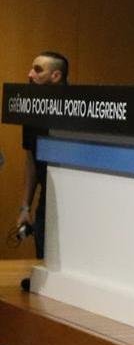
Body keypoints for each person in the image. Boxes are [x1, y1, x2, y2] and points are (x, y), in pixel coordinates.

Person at [17, 51, 69, 262]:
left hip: (72, 198)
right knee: (43, 252)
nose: (30, 74)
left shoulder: (76, 109)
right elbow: (31, 160)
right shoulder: (32, 109)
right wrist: (25, 207)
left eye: (38, 70)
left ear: (56, 76)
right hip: (46, 197)